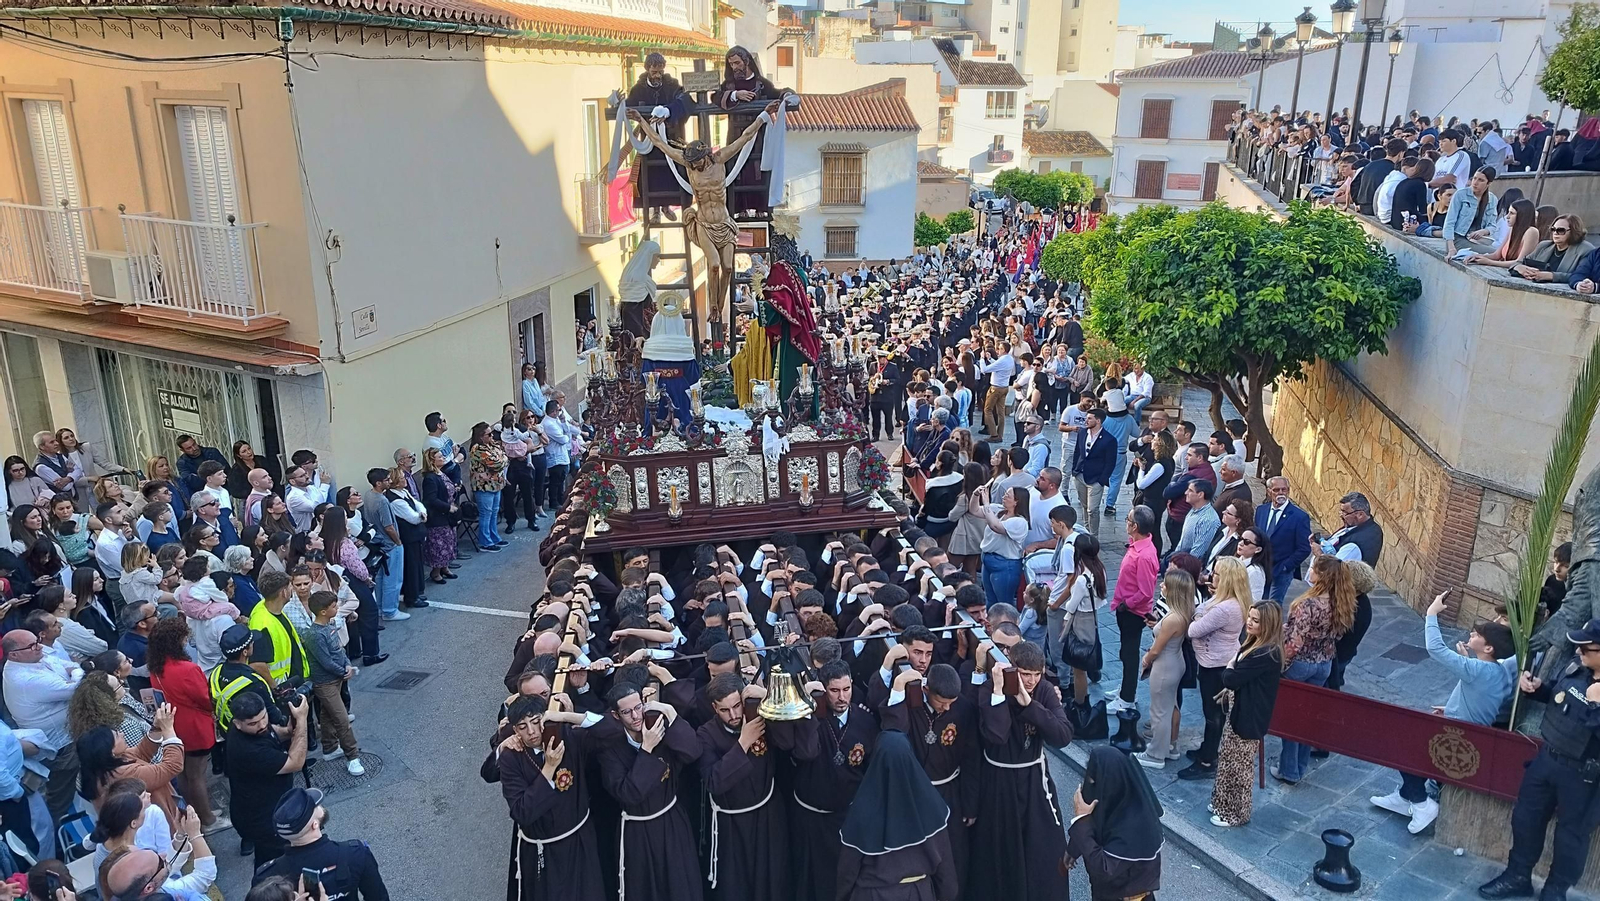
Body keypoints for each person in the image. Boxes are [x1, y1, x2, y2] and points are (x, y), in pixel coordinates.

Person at [1370, 590, 1514, 835]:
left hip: (1458, 735)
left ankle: (1420, 802)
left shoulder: (1478, 669)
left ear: (1488, 647)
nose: (1471, 633)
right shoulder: (1497, 671)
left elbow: (1435, 649)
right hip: (1466, 730)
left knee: (1402, 747)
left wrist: (1431, 613)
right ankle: (1406, 797)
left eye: (1478, 634)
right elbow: (1483, 700)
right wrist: (1451, 708)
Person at [969, 640, 1072, 901]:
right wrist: (1000, 691)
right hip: (999, 780)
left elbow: (1062, 735)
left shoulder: (1044, 690)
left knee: (1045, 848)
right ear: (1013, 668)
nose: (1031, 681)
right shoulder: (990, 689)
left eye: (1036, 674)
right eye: (1025, 674)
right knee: (1001, 848)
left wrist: (1029, 705)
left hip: (1034, 780)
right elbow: (997, 734)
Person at [767, 659, 878, 901]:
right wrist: (809, 709)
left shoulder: (866, 721)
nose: (841, 697)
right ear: (823, 690)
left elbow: (870, 771)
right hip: (810, 819)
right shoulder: (808, 719)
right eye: (834, 690)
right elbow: (805, 753)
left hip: (846, 818)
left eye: (846, 689)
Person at [597, 682, 704, 901]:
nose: (636, 716)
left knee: (681, 884)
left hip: (671, 822)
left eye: (638, 708)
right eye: (627, 712)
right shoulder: (610, 750)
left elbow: (693, 752)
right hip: (637, 831)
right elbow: (629, 794)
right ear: (616, 716)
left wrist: (671, 714)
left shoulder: (662, 732)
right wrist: (646, 749)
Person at [834, 730, 959, 900]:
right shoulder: (931, 807)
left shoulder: (862, 810)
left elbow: (847, 872)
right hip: (917, 894)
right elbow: (946, 873)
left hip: (871, 895)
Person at [693, 673, 786, 901]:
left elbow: (791, 738)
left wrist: (768, 696)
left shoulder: (761, 718)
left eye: (737, 706)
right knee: (737, 885)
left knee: (771, 879)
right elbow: (714, 781)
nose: (734, 715)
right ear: (714, 707)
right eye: (725, 710)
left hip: (767, 817)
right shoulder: (705, 734)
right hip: (732, 824)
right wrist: (743, 742)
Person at [1273, 556, 1354, 784]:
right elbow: (1336, 636)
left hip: (1300, 664)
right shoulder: (1343, 603)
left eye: (1313, 569)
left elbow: (1294, 644)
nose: (1309, 572)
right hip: (1323, 664)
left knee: (1290, 718)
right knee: (1307, 717)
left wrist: (1281, 666)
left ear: (1321, 575)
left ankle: (1288, 770)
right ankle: (1299, 766)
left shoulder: (1307, 605)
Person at [1210, 601, 1285, 827]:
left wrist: (1231, 665)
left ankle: (1236, 814)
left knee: (1239, 767)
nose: (1249, 623)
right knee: (1226, 759)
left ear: (1267, 624)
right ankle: (1221, 803)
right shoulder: (1256, 643)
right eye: (1249, 618)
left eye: (1255, 620)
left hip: (1249, 717)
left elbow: (1231, 679)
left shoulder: (1266, 653)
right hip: (1238, 712)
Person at [146, 617, 222, 831]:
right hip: (195, 726)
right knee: (197, 775)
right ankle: (208, 820)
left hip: (175, 726)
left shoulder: (156, 667)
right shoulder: (187, 668)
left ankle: (195, 813)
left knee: (184, 773)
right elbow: (204, 698)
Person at [252, 787, 391, 899]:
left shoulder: (265, 878)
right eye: (316, 806)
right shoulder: (356, 853)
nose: (320, 805)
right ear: (314, 824)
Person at [2, 628, 83, 823]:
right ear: (14, 654)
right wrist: (76, 673)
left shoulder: (33, 657)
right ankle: (61, 836)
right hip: (62, 747)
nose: (39, 647)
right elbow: (76, 688)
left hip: (70, 735)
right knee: (61, 797)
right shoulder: (24, 680)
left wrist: (76, 670)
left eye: (37, 641)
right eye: (32, 645)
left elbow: (70, 665)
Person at [1180, 558, 1250, 780]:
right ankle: (1206, 749)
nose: (1211, 576)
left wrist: (1199, 614)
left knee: (1213, 715)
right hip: (1219, 660)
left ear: (1227, 579)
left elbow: (1193, 630)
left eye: (1216, 574)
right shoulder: (1231, 600)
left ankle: (1207, 760)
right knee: (1213, 713)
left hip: (1215, 665)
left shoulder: (1225, 608)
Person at [225, 690, 309, 870]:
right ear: (237, 724)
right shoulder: (247, 750)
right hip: (264, 820)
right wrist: (302, 720)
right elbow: (296, 763)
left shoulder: (255, 728)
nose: (262, 725)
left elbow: (278, 732)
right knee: (278, 867)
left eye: (263, 717)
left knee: (268, 862)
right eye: (253, 723)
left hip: (266, 809)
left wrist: (290, 726)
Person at [1068, 746, 1164, 899]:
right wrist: (1073, 849)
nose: (1089, 784)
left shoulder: (1135, 825)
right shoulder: (1115, 795)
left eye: (1094, 779)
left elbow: (1103, 868)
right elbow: (1096, 822)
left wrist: (1080, 819)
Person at [1135, 569, 1195, 769]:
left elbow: (1156, 649)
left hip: (1165, 664)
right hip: (1175, 661)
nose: (1161, 586)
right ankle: (1170, 747)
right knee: (1171, 706)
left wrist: (1146, 659)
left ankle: (1155, 754)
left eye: (1165, 584)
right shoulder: (1183, 612)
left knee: (1159, 711)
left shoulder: (1173, 618)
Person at [100, 804, 217, 901]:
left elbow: (170, 866)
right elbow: (205, 875)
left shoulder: (127, 888)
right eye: (161, 863)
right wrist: (195, 834)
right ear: (149, 888)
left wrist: (181, 834)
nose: (164, 855)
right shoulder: (169, 890)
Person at [304, 591, 365, 775]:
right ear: (323, 611)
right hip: (325, 683)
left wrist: (347, 665)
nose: (337, 608)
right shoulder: (314, 635)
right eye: (333, 606)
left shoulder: (329, 625)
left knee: (327, 714)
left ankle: (330, 747)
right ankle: (352, 756)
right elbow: (326, 661)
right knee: (341, 719)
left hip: (336, 679)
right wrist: (343, 671)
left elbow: (338, 650)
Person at [1107, 506, 1159, 714]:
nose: (1125, 521)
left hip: (1133, 612)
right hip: (1126, 608)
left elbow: (1146, 592)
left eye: (1128, 519)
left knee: (1129, 654)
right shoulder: (1137, 546)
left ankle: (1127, 697)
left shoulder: (1145, 555)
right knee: (1124, 652)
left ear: (1135, 526)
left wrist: (1125, 605)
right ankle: (1125, 690)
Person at [360, 468, 407, 623]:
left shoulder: (368, 495)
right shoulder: (382, 500)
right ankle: (390, 610)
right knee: (393, 579)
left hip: (377, 543)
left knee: (380, 578)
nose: (389, 481)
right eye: (387, 480)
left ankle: (380, 608)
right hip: (389, 544)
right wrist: (398, 541)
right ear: (378, 483)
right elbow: (389, 526)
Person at [1257, 476, 1312, 604]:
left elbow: (1304, 548)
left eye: (1284, 489)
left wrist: (1286, 566)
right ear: (1269, 491)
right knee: (1259, 602)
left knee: (1273, 605)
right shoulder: (1261, 511)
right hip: (1262, 567)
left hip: (1282, 570)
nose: (1280, 493)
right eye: (1276, 490)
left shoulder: (1299, 517)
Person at [1512, 215, 1597, 283]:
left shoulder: (1585, 250)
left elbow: (1582, 276)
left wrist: (1552, 276)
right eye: (1553, 229)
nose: (1555, 233)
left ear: (1574, 231)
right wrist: (1520, 268)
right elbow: (1519, 262)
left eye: (1561, 230)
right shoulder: (1544, 246)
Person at [1072, 408, 1116, 534]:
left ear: (1098, 421)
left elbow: (1110, 462)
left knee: (1093, 509)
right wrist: (1074, 470)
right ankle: (1086, 531)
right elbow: (1077, 452)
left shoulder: (1109, 439)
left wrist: (1102, 480)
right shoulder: (1082, 433)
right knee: (1084, 507)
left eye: (1089, 418)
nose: (1086, 420)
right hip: (1080, 475)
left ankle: (1093, 535)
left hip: (1095, 478)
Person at [1314, 491, 1384, 565]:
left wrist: (1319, 554)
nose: (1341, 515)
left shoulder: (1357, 543)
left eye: (1345, 512)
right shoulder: (1354, 526)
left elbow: (1335, 570)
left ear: (1360, 514)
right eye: (1341, 511)